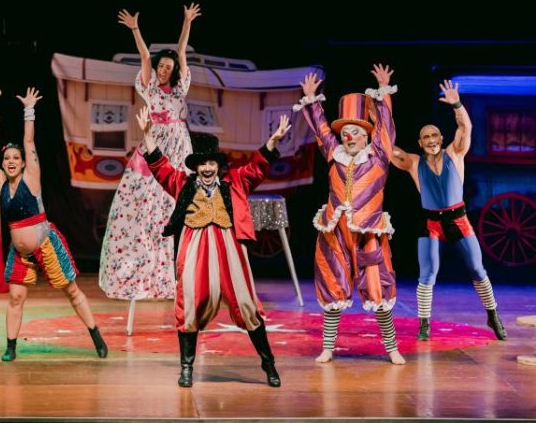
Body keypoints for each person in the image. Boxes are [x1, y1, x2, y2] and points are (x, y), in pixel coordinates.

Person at [0, 87, 108, 361]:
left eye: (15, 158)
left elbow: (29, 140)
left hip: (46, 244)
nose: (10, 162)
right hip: (21, 253)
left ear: (23, 163)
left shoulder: (32, 177)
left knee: (71, 291)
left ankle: (95, 335)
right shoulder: (0, 182)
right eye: (7, 159)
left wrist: (29, 110)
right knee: (15, 298)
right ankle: (11, 347)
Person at [137, 105, 290, 388]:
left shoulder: (235, 182)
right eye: (202, 164)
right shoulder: (182, 183)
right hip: (194, 246)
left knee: (246, 303)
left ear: (218, 165)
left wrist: (273, 141)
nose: (207, 168)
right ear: (196, 166)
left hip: (229, 246)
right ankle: (186, 368)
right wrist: (148, 135)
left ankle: (268, 363)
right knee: (190, 302)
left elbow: (257, 167)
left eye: (211, 163)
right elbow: (160, 167)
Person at [295, 66, 405, 365]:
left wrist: (383, 92)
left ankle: (392, 348)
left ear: (365, 135)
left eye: (355, 132)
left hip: (368, 232)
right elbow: (321, 130)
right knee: (332, 285)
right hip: (334, 230)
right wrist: (311, 100)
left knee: (378, 288)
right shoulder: (334, 154)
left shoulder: (378, 155)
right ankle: (328, 348)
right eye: (345, 133)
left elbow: (385, 127)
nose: (349, 137)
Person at [391, 79, 507, 341]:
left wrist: (456, 105)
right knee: (427, 274)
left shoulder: (454, 153)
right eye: (426, 137)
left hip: (458, 220)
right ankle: (424, 324)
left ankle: (493, 316)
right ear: (420, 142)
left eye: (434, 135)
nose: (431, 140)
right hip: (430, 224)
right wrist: (380, 110)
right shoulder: (414, 162)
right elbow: (386, 149)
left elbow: (465, 127)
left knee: (477, 269)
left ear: (441, 138)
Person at [99, 4, 200, 301]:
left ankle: (179, 273)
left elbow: (182, 51)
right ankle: (143, 271)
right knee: (145, 209)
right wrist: (135, 29)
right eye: (162, 66)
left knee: (177, 205)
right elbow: (144, 56)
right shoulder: (150, 88)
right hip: (156, 145)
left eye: (169, 67)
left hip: (179, 148)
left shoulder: (180, 89)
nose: (165, 69)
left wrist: (186, 22)